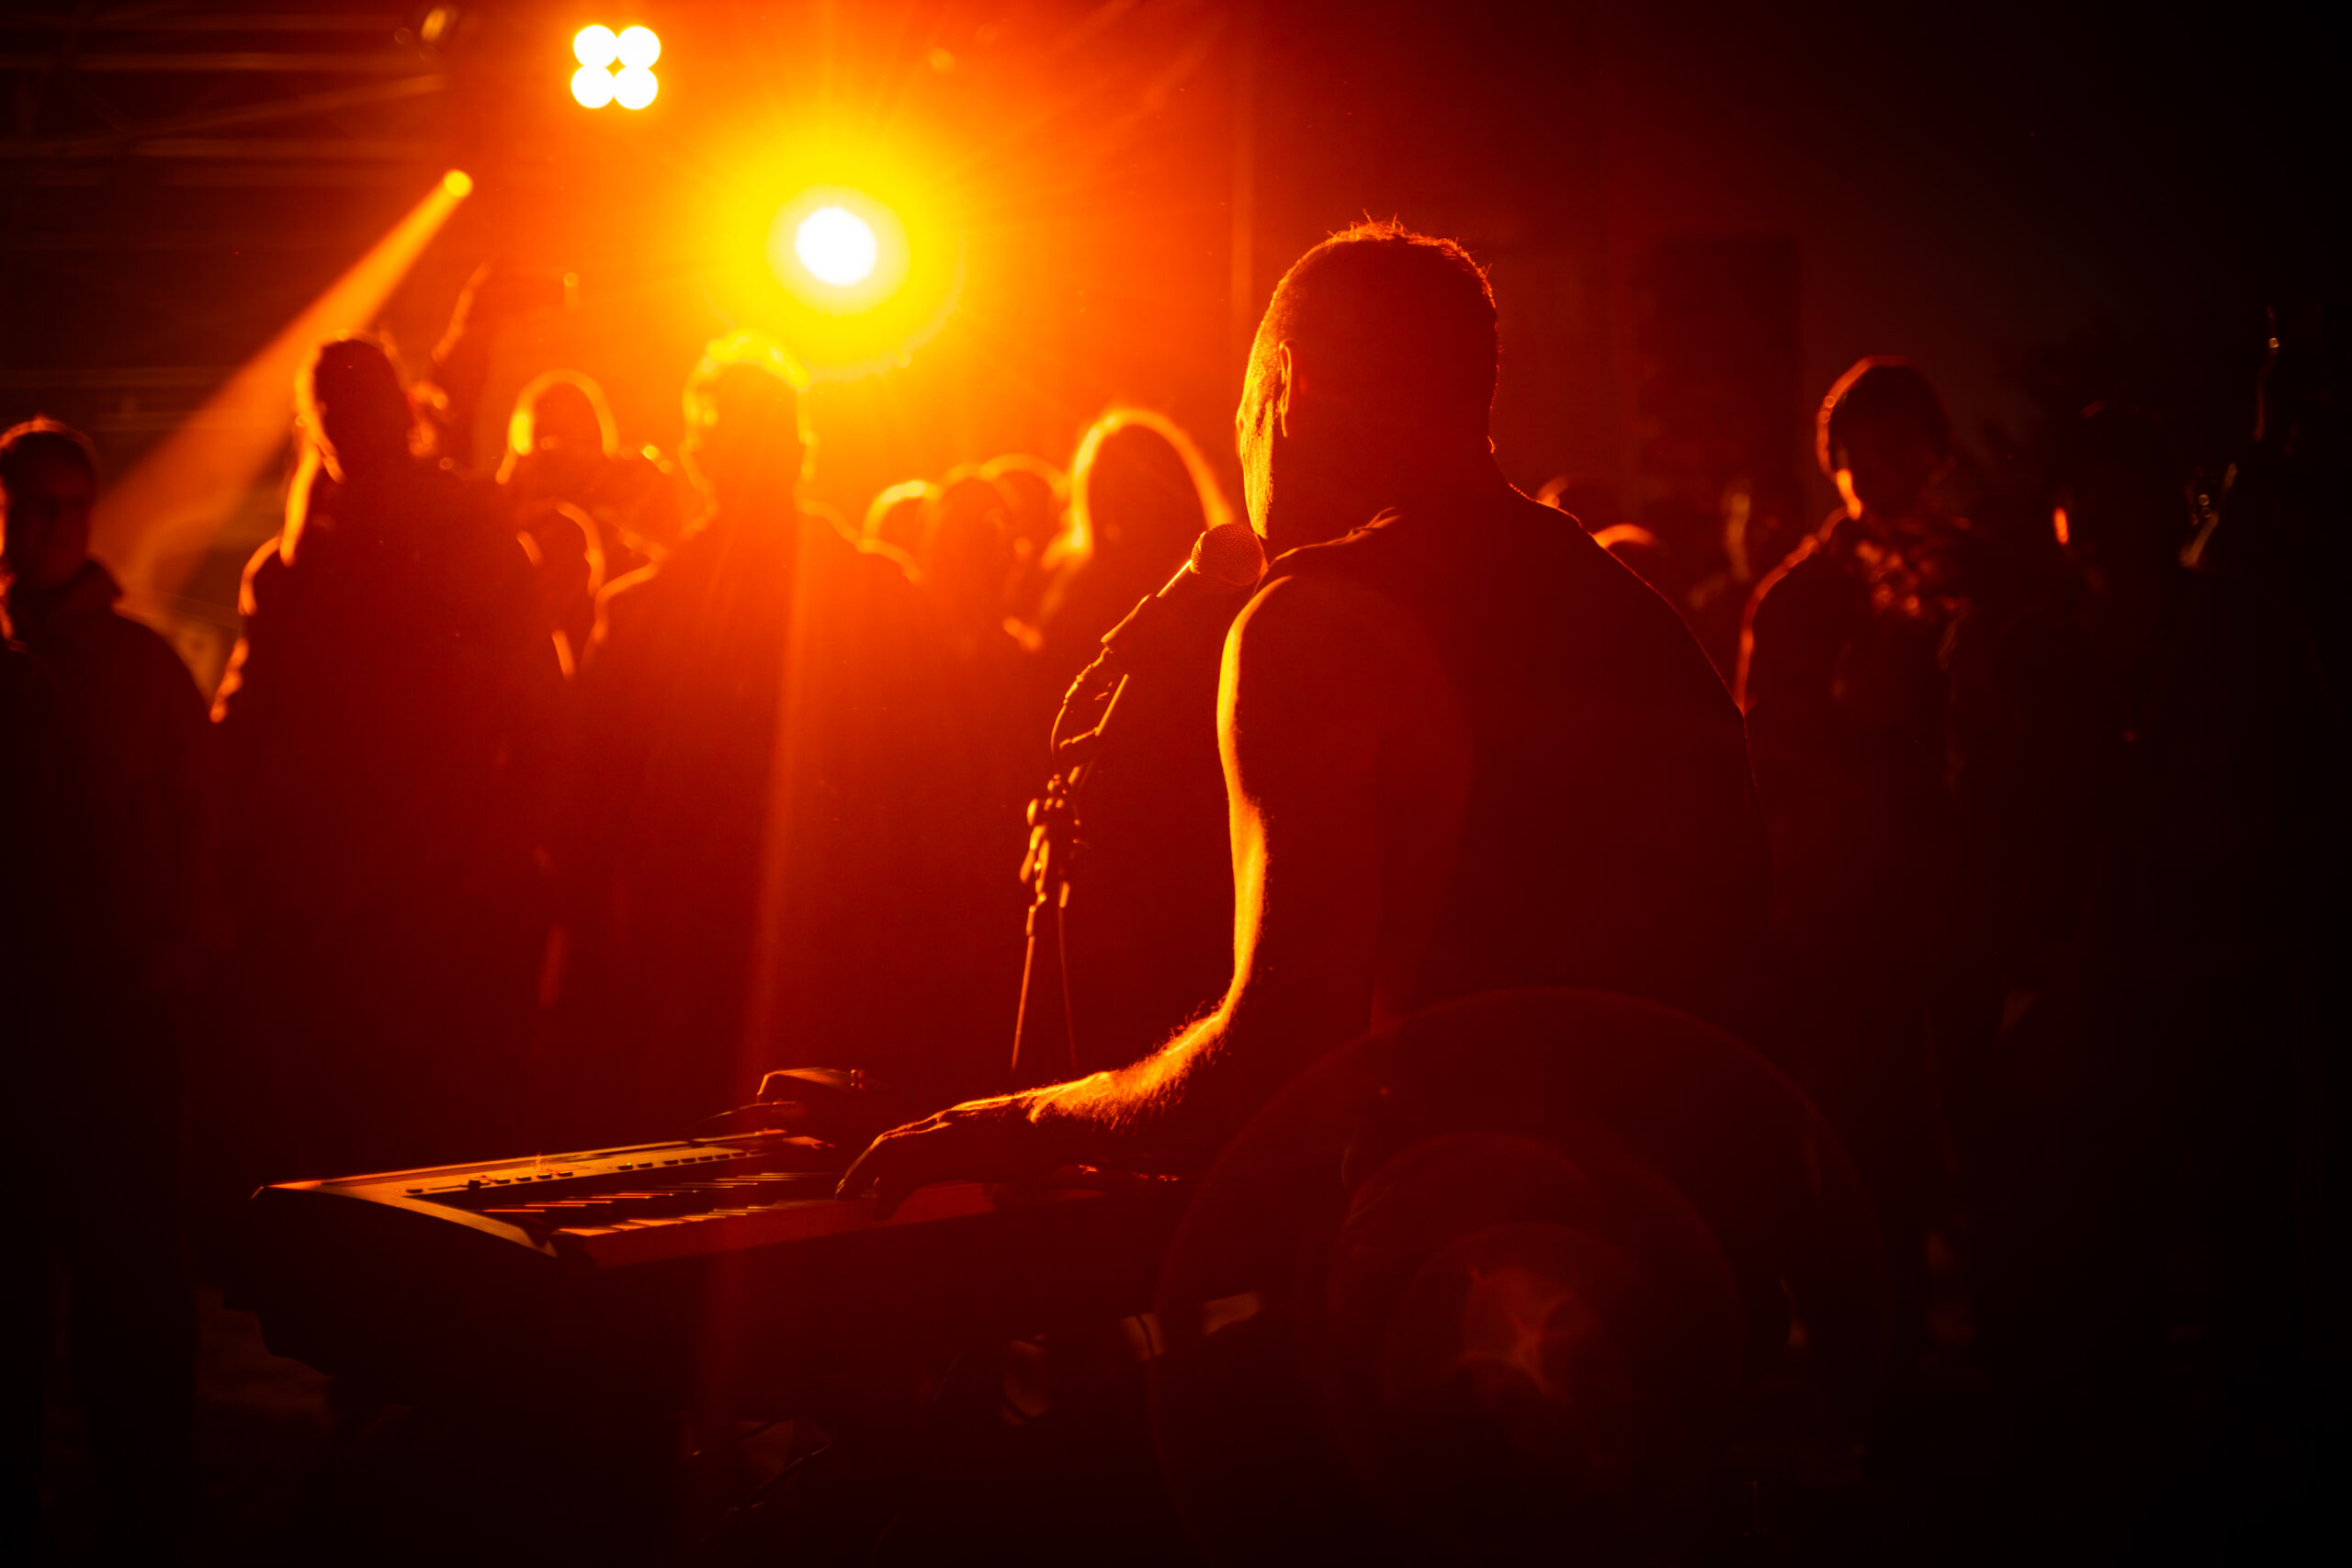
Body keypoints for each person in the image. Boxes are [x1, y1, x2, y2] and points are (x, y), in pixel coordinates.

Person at [843, 220, 1768, 1205]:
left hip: (1467, 1250)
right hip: (1701, 1235)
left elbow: (1277, 1074)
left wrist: (1027, 1122)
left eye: (1241, 413)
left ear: (1287, 386)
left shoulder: (1316, 619)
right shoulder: (1635, 613)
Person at [559, 333, 1010, 1146]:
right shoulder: (878, 591)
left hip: (693, 959)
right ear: (801, 450)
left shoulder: (642, 614)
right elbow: (940, 787)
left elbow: (594, 813)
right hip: (848, 951)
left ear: (701, 460)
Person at [212, 337, 560, 1180]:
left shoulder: (301, 564)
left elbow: (244, 731)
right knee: (431, 1139)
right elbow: (544, 706)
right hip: (423, 889)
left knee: (370, 1139)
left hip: (384, 894)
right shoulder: (442, 537)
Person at [1734, 357, 2007, 1378]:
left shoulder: (1991, 578)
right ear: (1834, 466)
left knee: (1998, 1142)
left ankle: (2019, 1361)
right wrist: (1847, 722)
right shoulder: (1800, 599)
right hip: (1853, 930)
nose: (1884, 472)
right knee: (1874, 1152)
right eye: (1861, 455)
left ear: (1937, 456)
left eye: (1903, 449)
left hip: (1980, 912)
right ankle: (1897, 1377)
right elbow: (1769, 773)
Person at [1, 419, 207, 1560]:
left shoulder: (137, 674)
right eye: (27, 506)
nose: (44, 529)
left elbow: (205, 838)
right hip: (36, 1030)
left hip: (116, 1023)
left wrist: (169, 968)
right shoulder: (74, 673)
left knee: (129, 1295)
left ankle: (148, 1513)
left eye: (63, 508)